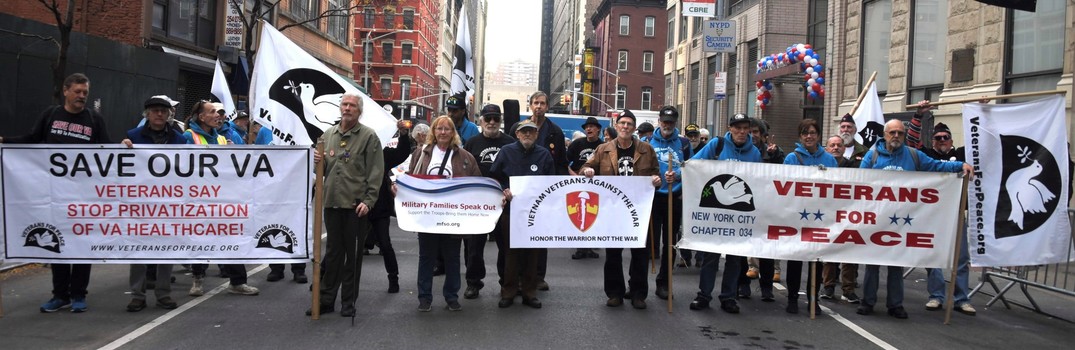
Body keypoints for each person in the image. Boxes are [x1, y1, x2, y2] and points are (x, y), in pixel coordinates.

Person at [3, 73, 111, 313]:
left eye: (85, 92)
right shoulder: (51, 115)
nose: (82, 96)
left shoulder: (94, 119)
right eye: (78, 92)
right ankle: (60, 295)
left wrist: (124, 149)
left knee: (82, 245)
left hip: (84, 196)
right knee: (58, 243)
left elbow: (106, 151)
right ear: (65, 91)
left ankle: (79, 295)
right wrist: (5, 141)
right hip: (54, 194)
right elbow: (32, 140)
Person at [856, 119, 973, 319]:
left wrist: (960, 165)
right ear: (884, 135)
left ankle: (895, 305)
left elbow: (936, 166)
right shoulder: (872, 155)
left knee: (896, 263)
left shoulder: (913, 155)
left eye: (900, 133)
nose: (896, 136)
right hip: (876, 219)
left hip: (902, 220)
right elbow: (858, 182)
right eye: (892, 132)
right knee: (872, 263)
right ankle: (868, 302)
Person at [306, 93, 384, 317]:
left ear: (359, 111)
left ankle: (348, 301)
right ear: (340, 108)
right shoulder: (327, 135)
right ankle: (326, 299)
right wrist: (316, 162)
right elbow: (320, 171)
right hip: (332, 203)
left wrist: (369, 201)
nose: (347, 108)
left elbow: (375, 172)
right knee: (332, 255)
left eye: (352, 106)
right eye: (345, 104)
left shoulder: (369, 137)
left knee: (353, 256)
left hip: (355, 206)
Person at [398, 115, 482, 312]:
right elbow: (411, 178)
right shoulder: (421, 153)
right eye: (439, 129)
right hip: (427, 215)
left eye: (447, 129)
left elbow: (476, 182)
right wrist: (400, 189)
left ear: (453, 133)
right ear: (433, 132)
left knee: (452, 257)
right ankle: (424, 297)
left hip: (453, 217)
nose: (443, 132)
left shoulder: (465, 157)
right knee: (426, 257)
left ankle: (451, 296)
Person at [580, 110, 661, 310]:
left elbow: (655, 174)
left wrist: (657, 180)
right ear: (616, 126)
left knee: (640, 253)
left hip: (638, 210)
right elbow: (585, 167)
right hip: (613, 210)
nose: (625, 127)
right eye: (622, 123)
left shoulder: (646, 149)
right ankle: (614, 292)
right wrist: (588, 171)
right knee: (613, 253)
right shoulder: (603, 149)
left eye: (629, 124)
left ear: (634, 128)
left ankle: (638, 293)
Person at [181, 100, 260, 297]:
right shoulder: (188, 137)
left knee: (231, 238)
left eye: (219, 112)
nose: (219, 115)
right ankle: (197, 279)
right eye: (213, 112)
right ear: (202, 117)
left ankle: (237, 282)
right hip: (199, 199)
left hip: (224, 199)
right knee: (200, 238)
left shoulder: (223, 139)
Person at [688, 113, 761, 314]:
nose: (742, 131)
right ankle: (704, 294)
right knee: (710, 255)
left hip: (739, 215)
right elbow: (694, 165)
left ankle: (728, 297)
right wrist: (676, 174)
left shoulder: (754, 153)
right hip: (715, 212)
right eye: (737, 128)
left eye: (745, 128)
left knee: (734, 258)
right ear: (730, 128)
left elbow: (760, 180)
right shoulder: (717, 145)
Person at [120, 96, 187, 312]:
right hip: (141, 204)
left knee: (166, 250)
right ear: (147, 114)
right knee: (138, 249)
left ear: (169, 115)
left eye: (163, 111)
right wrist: (123, 148)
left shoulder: (179, 140)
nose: (159, 114)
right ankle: (137, 295)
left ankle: (163, 293)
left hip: (168, 203)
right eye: (155, 110)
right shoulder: (133, 136)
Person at [914, 112, 975, 316]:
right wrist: (918, 116)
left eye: (945, 137)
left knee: (961, 257)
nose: (942, 141)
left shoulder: (963, 155)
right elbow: (913, 141)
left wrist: (981, 111)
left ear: (951, 140)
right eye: (937, 138)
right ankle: (936, 296)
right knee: (933, 256)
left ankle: (961, 298)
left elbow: (981, 142)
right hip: (933, 214)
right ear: (933, 141)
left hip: (957, 213)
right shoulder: (927, 157)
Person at [491, 119, 556, 308]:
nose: (527, 135)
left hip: (535, 213)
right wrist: (504, 190)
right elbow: (495, 177)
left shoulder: (544, 154)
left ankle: (529, 292)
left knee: (532, 253)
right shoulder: (506, 152)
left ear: (536, 135)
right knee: (511, 252)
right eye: (524, 132)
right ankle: (508, 292)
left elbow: (551, 183)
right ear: (517, 135)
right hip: (511, 210)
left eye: (531, 132)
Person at [508, 91, 569, 291]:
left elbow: (561, 163)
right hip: (519, 192)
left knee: (541, 235)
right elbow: (509, 155)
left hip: (544, 192)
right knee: (518, 236)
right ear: (530, 105)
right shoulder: (518, 128)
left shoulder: (555, 132)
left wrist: (557, 192)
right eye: (536, 103)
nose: (539, 106)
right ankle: (518, 276)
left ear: (547, 106)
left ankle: (538, 276)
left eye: (542, 103)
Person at [781, 119, 838, 314]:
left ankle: (813, 299)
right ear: (800, 136)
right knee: (795, 260)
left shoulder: (829, 159)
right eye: (805, 133)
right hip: (797, 215)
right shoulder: (791, 158)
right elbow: (784, 185)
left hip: (820, 217)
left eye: (813, 132)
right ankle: (792, 299)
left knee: (816, 260)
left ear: (819, 135)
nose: (809, 136)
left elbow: (837, 186)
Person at [461, 104, 516, 299]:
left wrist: (511, 191)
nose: (492, 122)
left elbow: (517, 171)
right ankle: (473, 283)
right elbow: (464, 170)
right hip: (478, 204)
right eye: (488, 118)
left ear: (500, 121)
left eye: (496, 118)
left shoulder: (510, 142)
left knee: (505, 247)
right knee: (474, 247)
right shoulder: (472, 143)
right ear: (481, 120)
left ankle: (506, 283)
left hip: (504, 203)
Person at [361, 119, 412, 294]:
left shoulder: (383, 153)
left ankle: (393, 278)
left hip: (378, 204)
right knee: (342, 244)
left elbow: (402, 153)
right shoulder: (353, 151)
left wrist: (404, 135)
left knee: (385, 243)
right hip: (356, 203)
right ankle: (323, 276)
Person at [649, 106, 692, 300]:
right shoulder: (647, 141)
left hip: (674, 197)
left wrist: (679, 175)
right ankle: (638, 284)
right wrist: (654, 177)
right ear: (659, 121)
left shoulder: (683, 143)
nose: (667, 125)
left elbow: (692, 168)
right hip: (652, 196)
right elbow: (640, 168)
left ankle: (664, 283)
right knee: (647, 243)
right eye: (665, 121)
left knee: (670, 243)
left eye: (671, 122)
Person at [820, 135, 861, 303]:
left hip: (848, 214)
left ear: (844, 148)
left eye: (839, 145)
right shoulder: (821, 168)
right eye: (832, 145)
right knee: (830, 252)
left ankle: (848, 289)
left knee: (848, 253)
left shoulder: (853, 167)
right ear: (827, 148)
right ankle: (828, 287)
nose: (836, 147)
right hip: (828, 214)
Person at [745, 118, 784, 284]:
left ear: (763, 135)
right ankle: (753, 266)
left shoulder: (772, 151)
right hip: (750, 201)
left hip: (769, 201)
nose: (752, 135)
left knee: (770, 236)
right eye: (750, 131)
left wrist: (775, 155)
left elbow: (783, 170)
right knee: (750, 234)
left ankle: (775, 268)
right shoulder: (744, 150)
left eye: (756, 132)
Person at [566, 116, 605, 260]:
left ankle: (589, 247)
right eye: (586, 127)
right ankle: (580, 248)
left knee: (592, 214)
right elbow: (565, 161)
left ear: (598, 129)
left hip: (595, 184)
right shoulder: (577, 144)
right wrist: (573, 175)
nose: (588, 129)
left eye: (592, 126)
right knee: (578, 213)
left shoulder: (603, 146)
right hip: (577, 182)